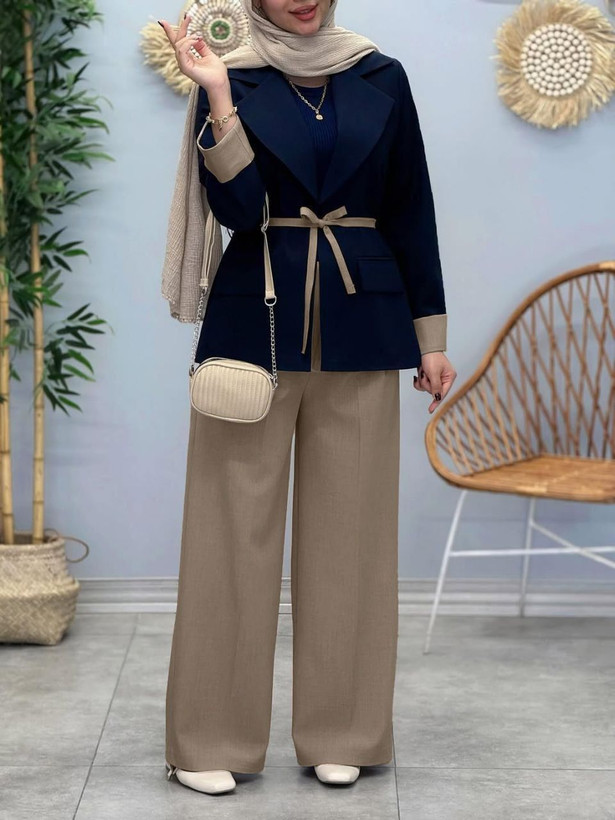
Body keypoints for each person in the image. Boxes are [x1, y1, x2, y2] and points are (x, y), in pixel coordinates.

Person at [158, 0, 457, 796]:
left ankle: (344, 731)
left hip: (365, 324)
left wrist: (429, 338)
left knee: (353, 543)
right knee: (228, 541)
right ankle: (207, 741)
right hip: (251, 329)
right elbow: (238, 212)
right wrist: (216, 95)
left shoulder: (379, 74)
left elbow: (410, 209)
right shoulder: (231, 74)